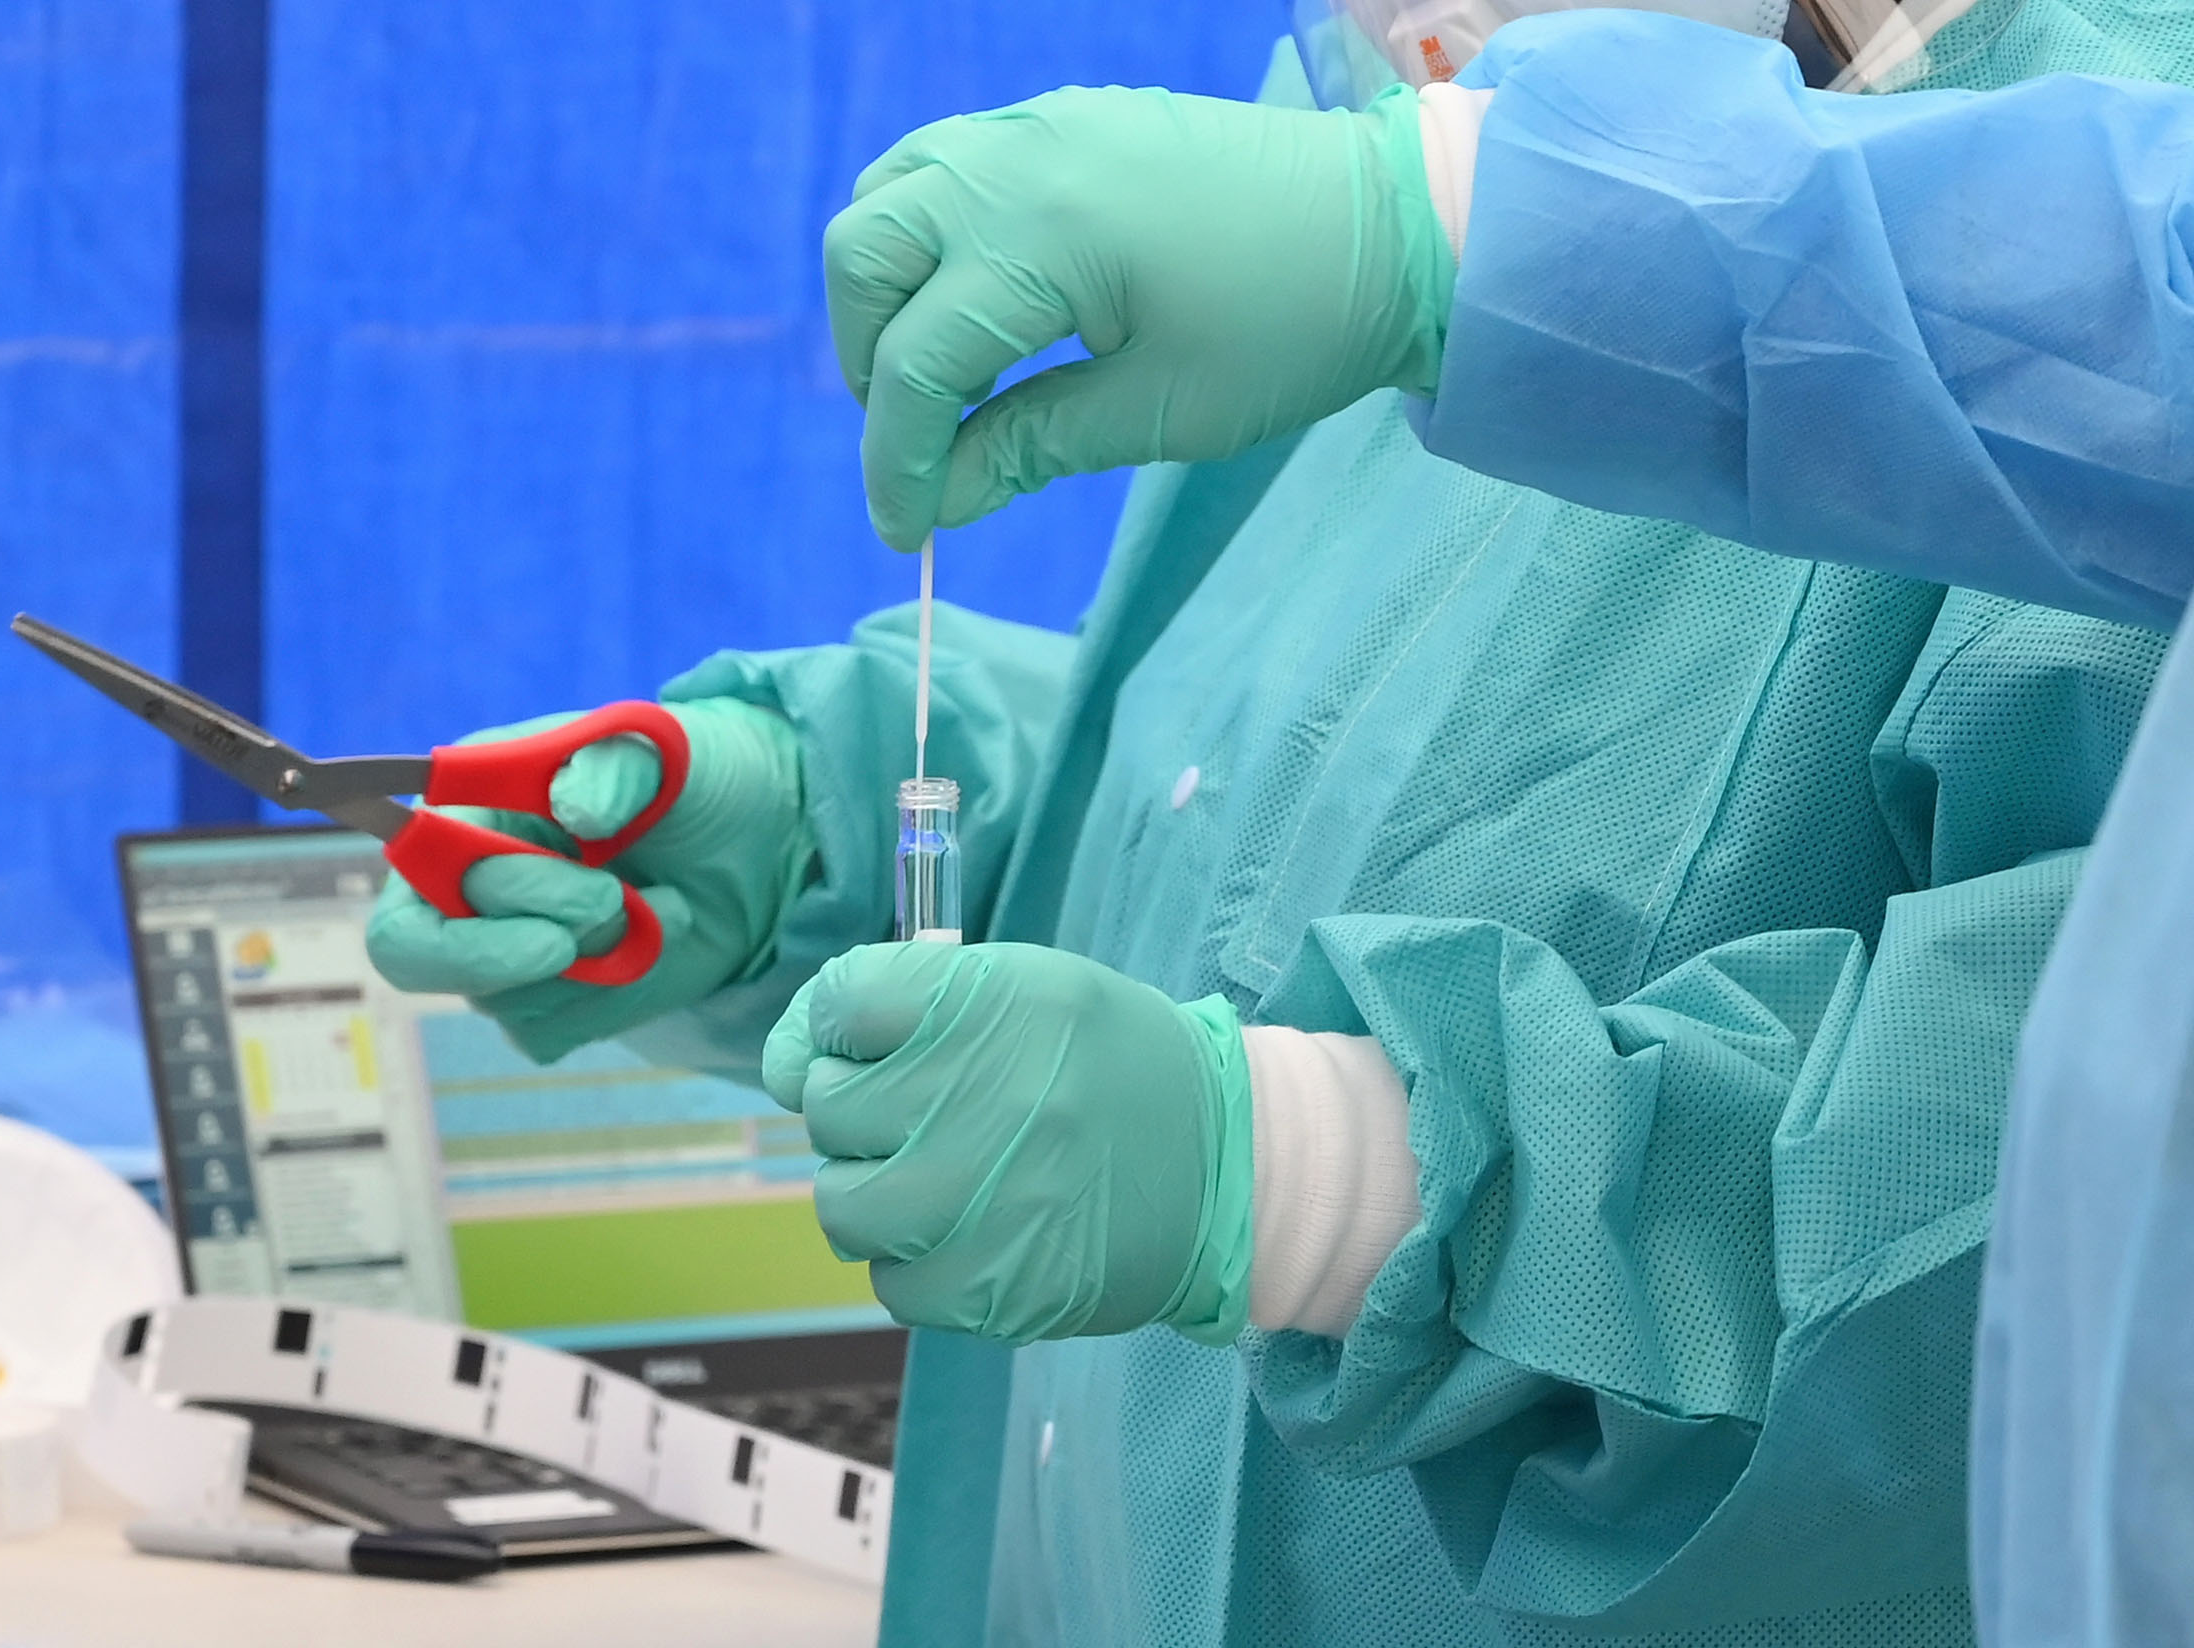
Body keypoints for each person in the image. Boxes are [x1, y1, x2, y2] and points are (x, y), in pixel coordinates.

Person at [367, 6, 2185, 1646]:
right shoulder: (1457, 135)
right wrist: (827, 830)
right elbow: (1303, 769)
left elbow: (2051, 1225)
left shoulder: (2095, 259)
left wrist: (1317, 1179)